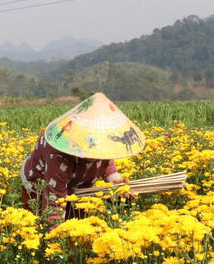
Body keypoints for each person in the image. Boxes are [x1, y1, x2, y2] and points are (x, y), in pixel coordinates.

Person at [20, 92, 145, 228]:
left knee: (80, 229)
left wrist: (117, 184)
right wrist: (56, 242)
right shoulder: (59, 155)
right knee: (37, 228)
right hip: (39, 187)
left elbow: (107, 163)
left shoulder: (103, 146)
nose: (101, 153)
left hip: (78, 188)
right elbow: (53, 205)